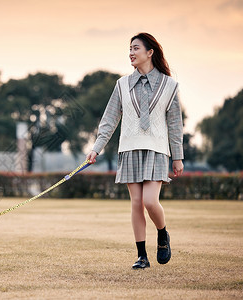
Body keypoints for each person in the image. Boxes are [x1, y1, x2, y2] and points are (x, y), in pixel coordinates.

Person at [86, 32, 184, 269]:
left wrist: (178, 156)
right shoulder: (121, 85)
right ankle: (142, 256)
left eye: (135, 48)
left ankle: (162, 234)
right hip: (129, 148)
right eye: (129, 48)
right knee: (136, 203)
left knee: (151, 202)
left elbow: (174, 123)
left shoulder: (169, 85)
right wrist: (96, 148)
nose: (131, 53)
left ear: (150, 52)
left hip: (157, 149)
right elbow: (109, 120)